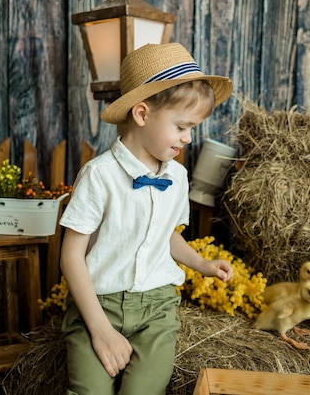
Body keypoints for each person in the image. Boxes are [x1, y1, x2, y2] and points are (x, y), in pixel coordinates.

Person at [58, 42, 234, 395]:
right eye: (182, 126)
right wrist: (100, 329)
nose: (187, 138)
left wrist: (201, 263)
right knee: (88, 391)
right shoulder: (100, 176)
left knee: (143, 391)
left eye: (193, 129)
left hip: (156, 309)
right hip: (99, 303)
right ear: (141, 114)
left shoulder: (177, 177)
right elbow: (70, 256)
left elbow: (165, 234)